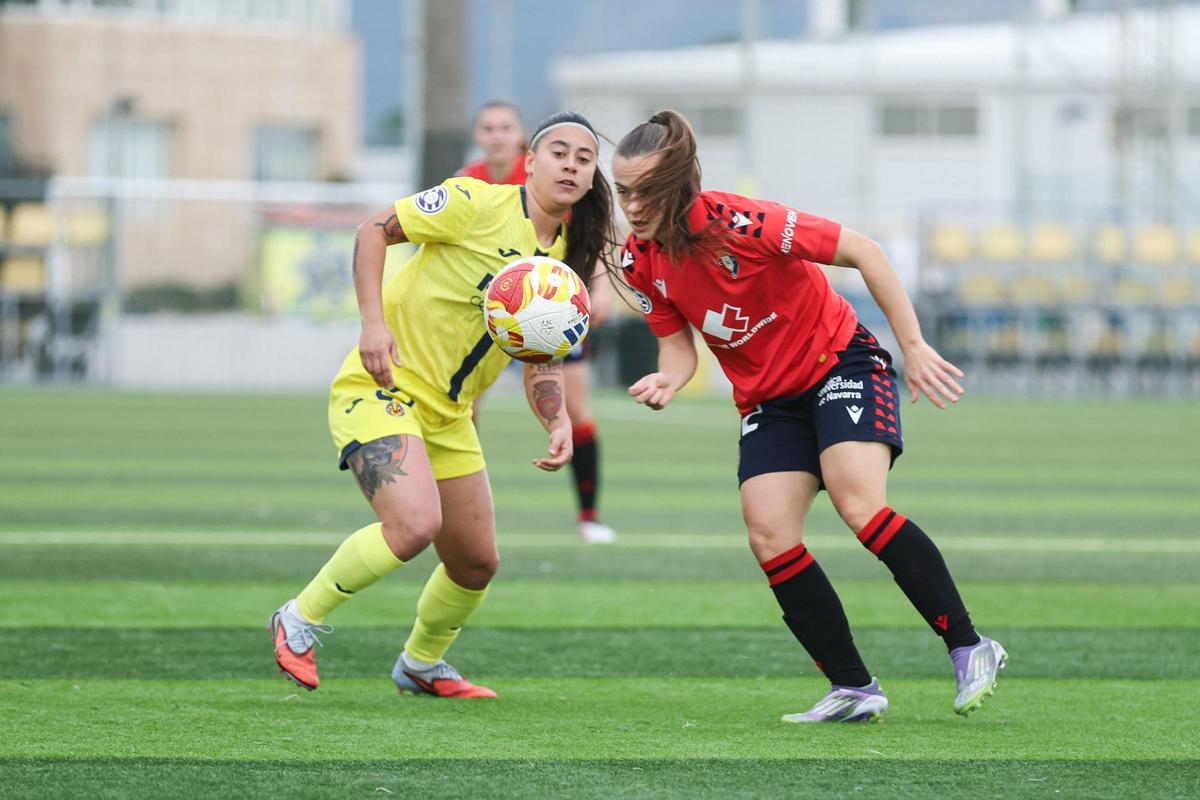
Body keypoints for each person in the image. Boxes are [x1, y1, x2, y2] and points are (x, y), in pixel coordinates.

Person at [614, 110, 1006, 722]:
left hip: (841, 364)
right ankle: (854, 686)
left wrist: (914, 346)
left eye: (645, 191)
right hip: (770, 402)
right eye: (623, 192)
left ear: (680, 184)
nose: (633, 206)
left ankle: (969, 645)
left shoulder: (744, 222)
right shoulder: (639, 262)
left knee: (858, 504)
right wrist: (670, 376)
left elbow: (864, 252)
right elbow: (677, 346)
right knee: (768, 533)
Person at [270, 111, 616, 698]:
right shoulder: (472, 201)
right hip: (382, 388)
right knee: (412, 526)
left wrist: (556, 419)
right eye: (559, 152)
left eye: (584, 159)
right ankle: (298, 618)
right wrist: (373, 325)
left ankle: (421, 664)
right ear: (530, 162)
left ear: (589, 180)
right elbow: (371, 230)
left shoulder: (561, 263)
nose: (571, 165)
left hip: (450, 417)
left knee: (476, 562)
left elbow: (539, 359)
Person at [459, 100, 618, 544]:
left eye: (505, 126)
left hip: (550, 311)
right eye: (487, 127)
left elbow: (592, 235)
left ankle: (589, 516)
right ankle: (454, 509)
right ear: (478, 136)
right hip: (487, 317)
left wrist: (599, 289)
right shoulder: (467, 184)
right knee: (464, 409)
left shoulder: (552, 178)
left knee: (576, 410)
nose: (496, 135)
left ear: (521, 140)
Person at [456, 100, 528, 185]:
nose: (497, 137)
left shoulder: (536, 175)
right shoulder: (466, 180)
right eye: (488, 129)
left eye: (506, 128)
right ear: (475, 135)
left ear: (521, 133)